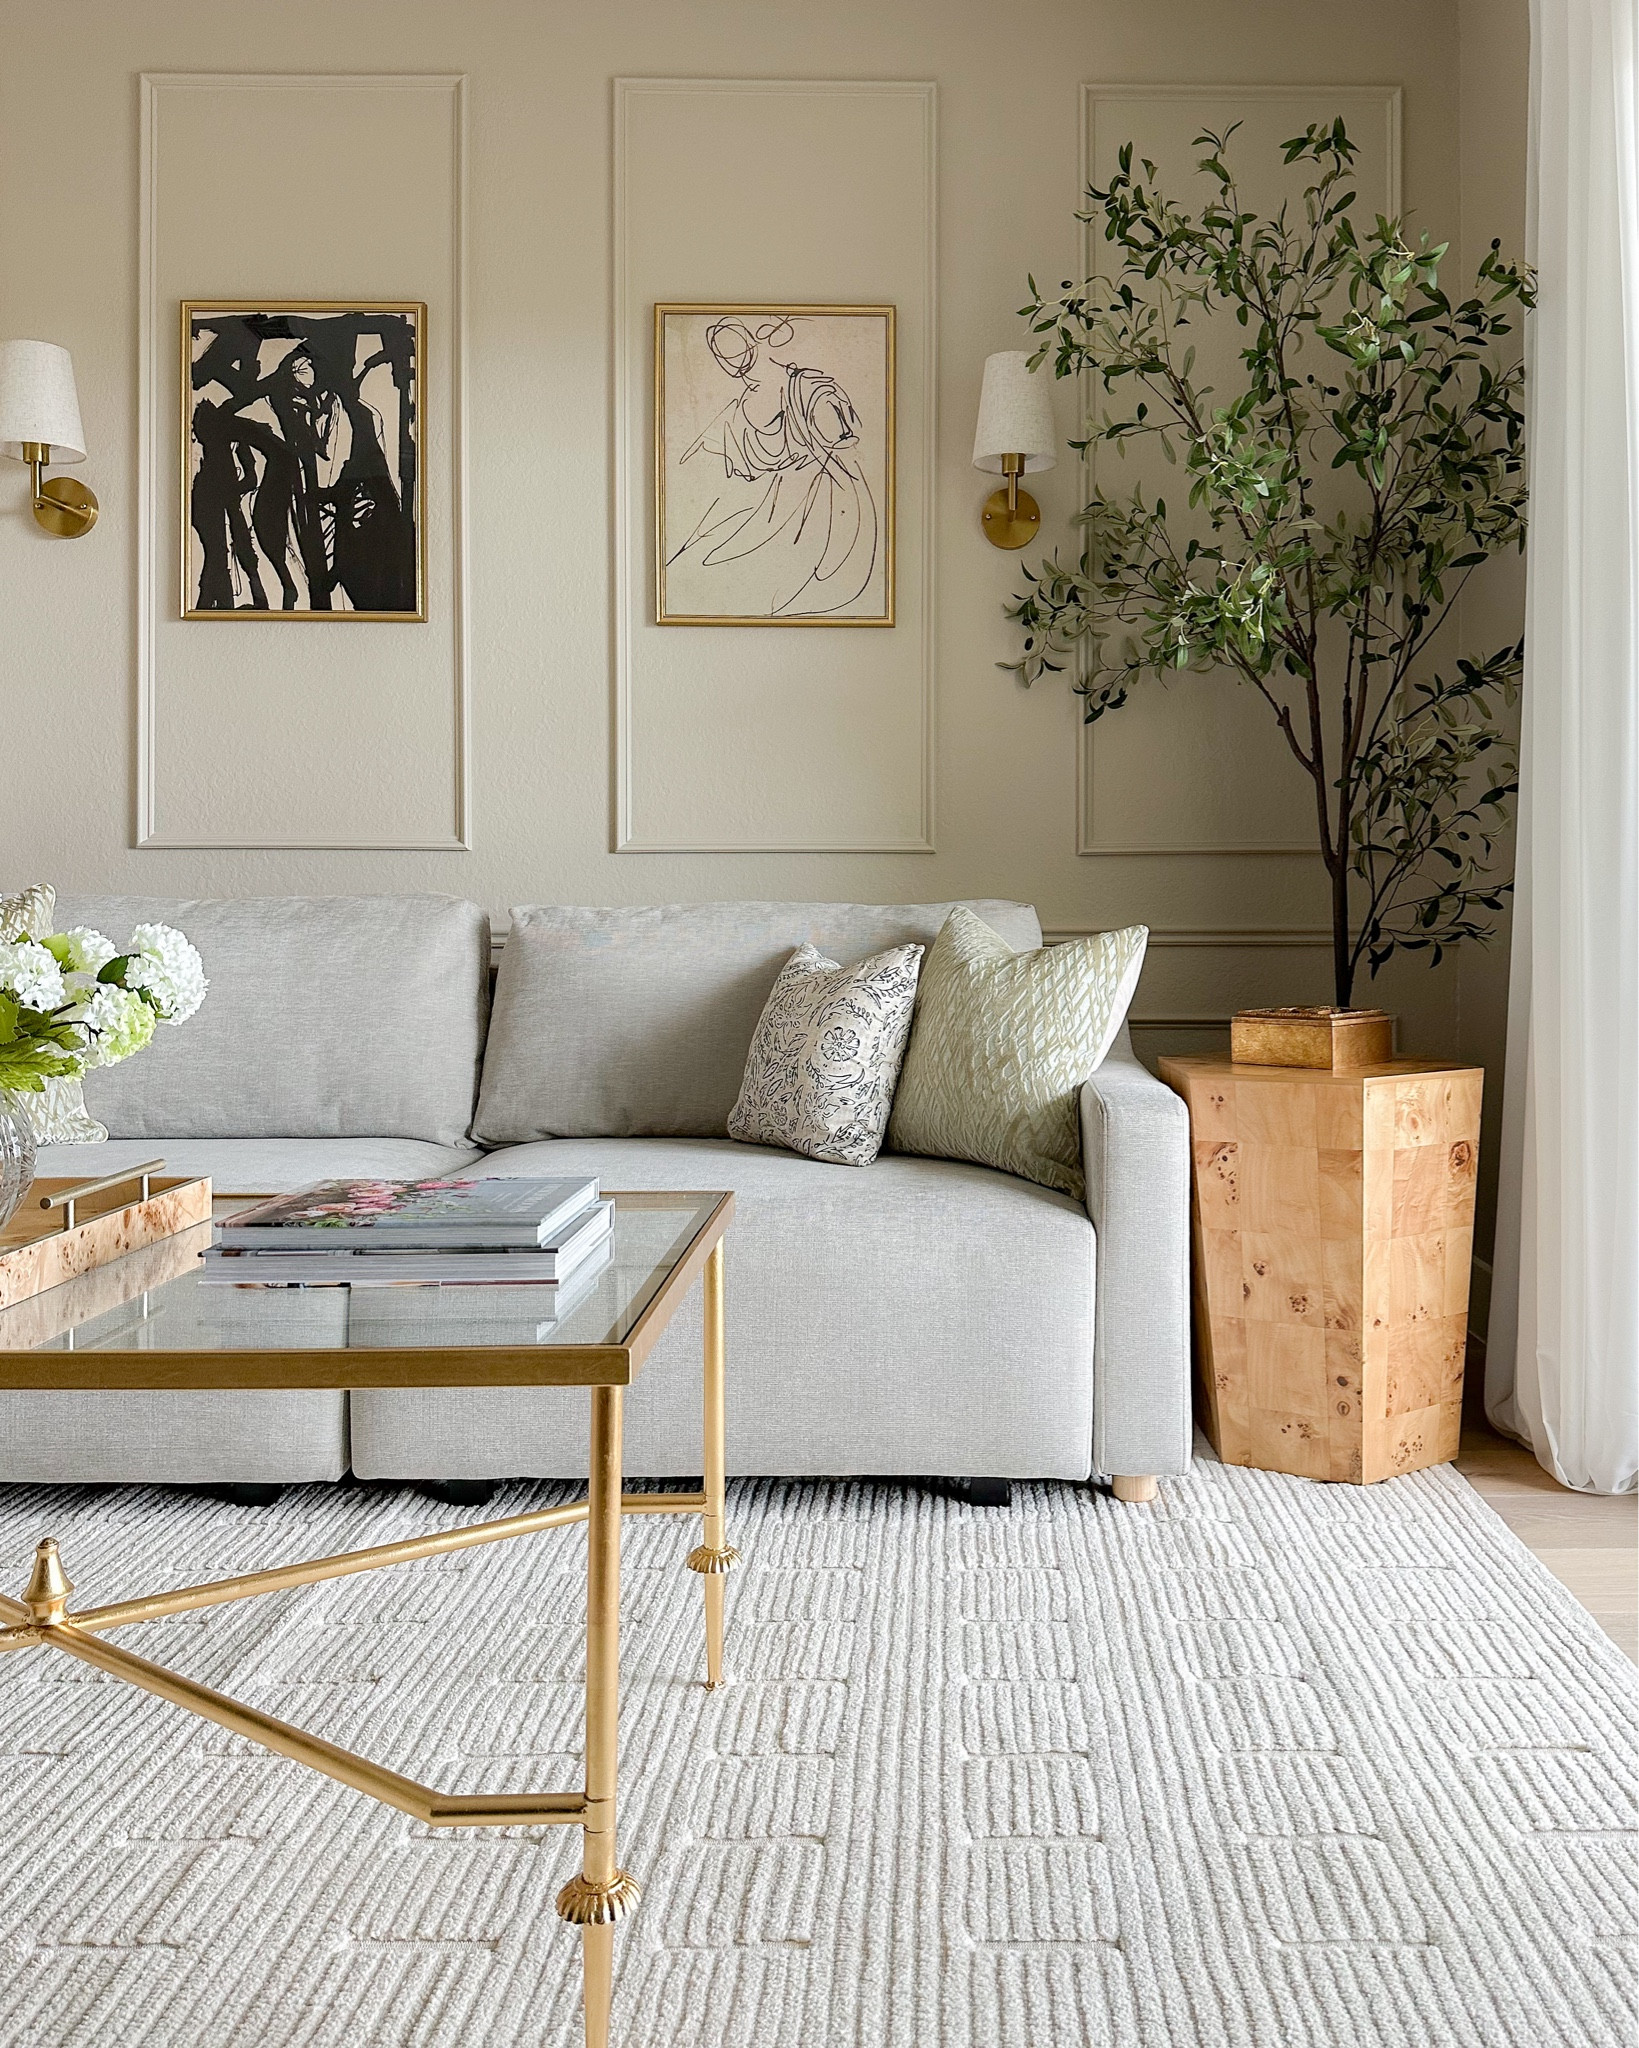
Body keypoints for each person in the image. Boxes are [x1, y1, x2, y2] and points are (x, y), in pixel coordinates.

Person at [669, 317, 879, 618]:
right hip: (779, 503)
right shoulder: (744, 406)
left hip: (822, 501)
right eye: (732, 365)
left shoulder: (808, 390)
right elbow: (744, 464)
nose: (742, 376)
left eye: (740, 362)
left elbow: (846, 446)